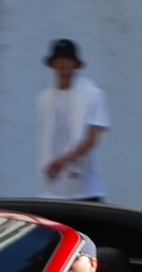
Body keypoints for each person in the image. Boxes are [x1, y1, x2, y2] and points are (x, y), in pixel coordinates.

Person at [36, 39, 109, 200]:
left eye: (67, 59)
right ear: (52, 64)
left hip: (86, 188)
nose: (63, 63)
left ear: (75, 63)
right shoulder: (45, 98)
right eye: (59, 59)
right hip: (54, 188)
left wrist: (63, 161)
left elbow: (91, 139)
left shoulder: (92, 94)